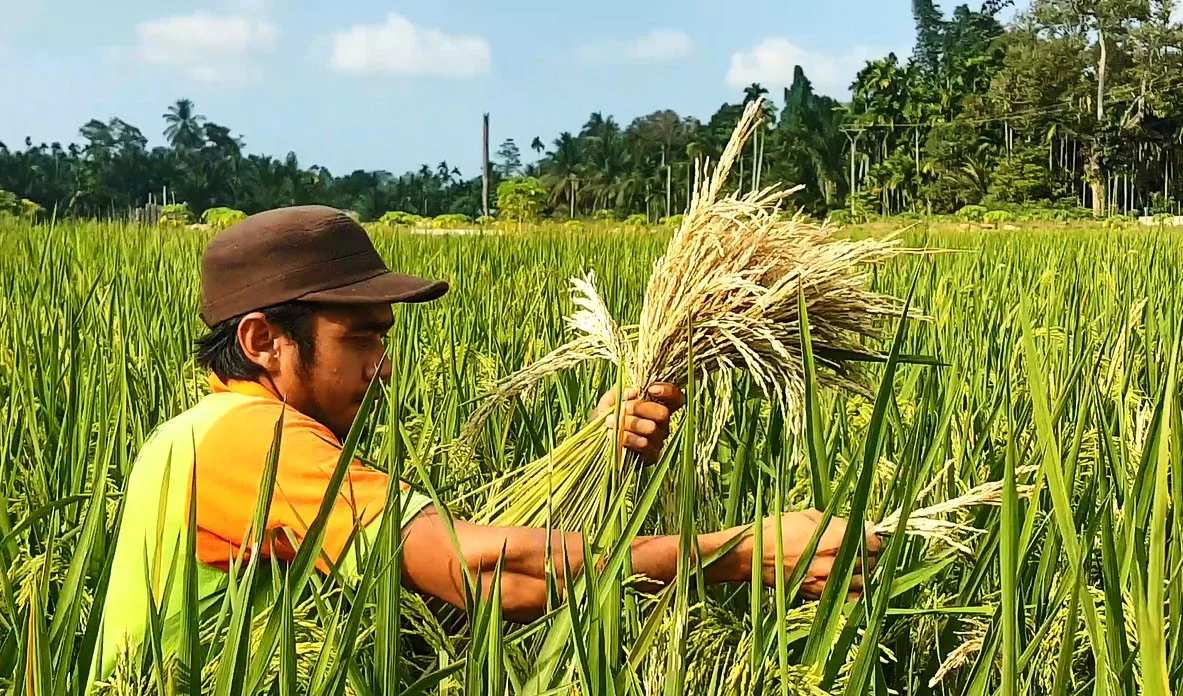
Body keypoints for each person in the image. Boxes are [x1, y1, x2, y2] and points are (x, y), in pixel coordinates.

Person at [89, 205, 880, 685]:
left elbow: (433, 561)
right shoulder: (252, 440)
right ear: (264, 340)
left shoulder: (209, 435)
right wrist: (737, 553)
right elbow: (477, 572)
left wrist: (595, 458)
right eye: (360, 338)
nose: (383, 363)